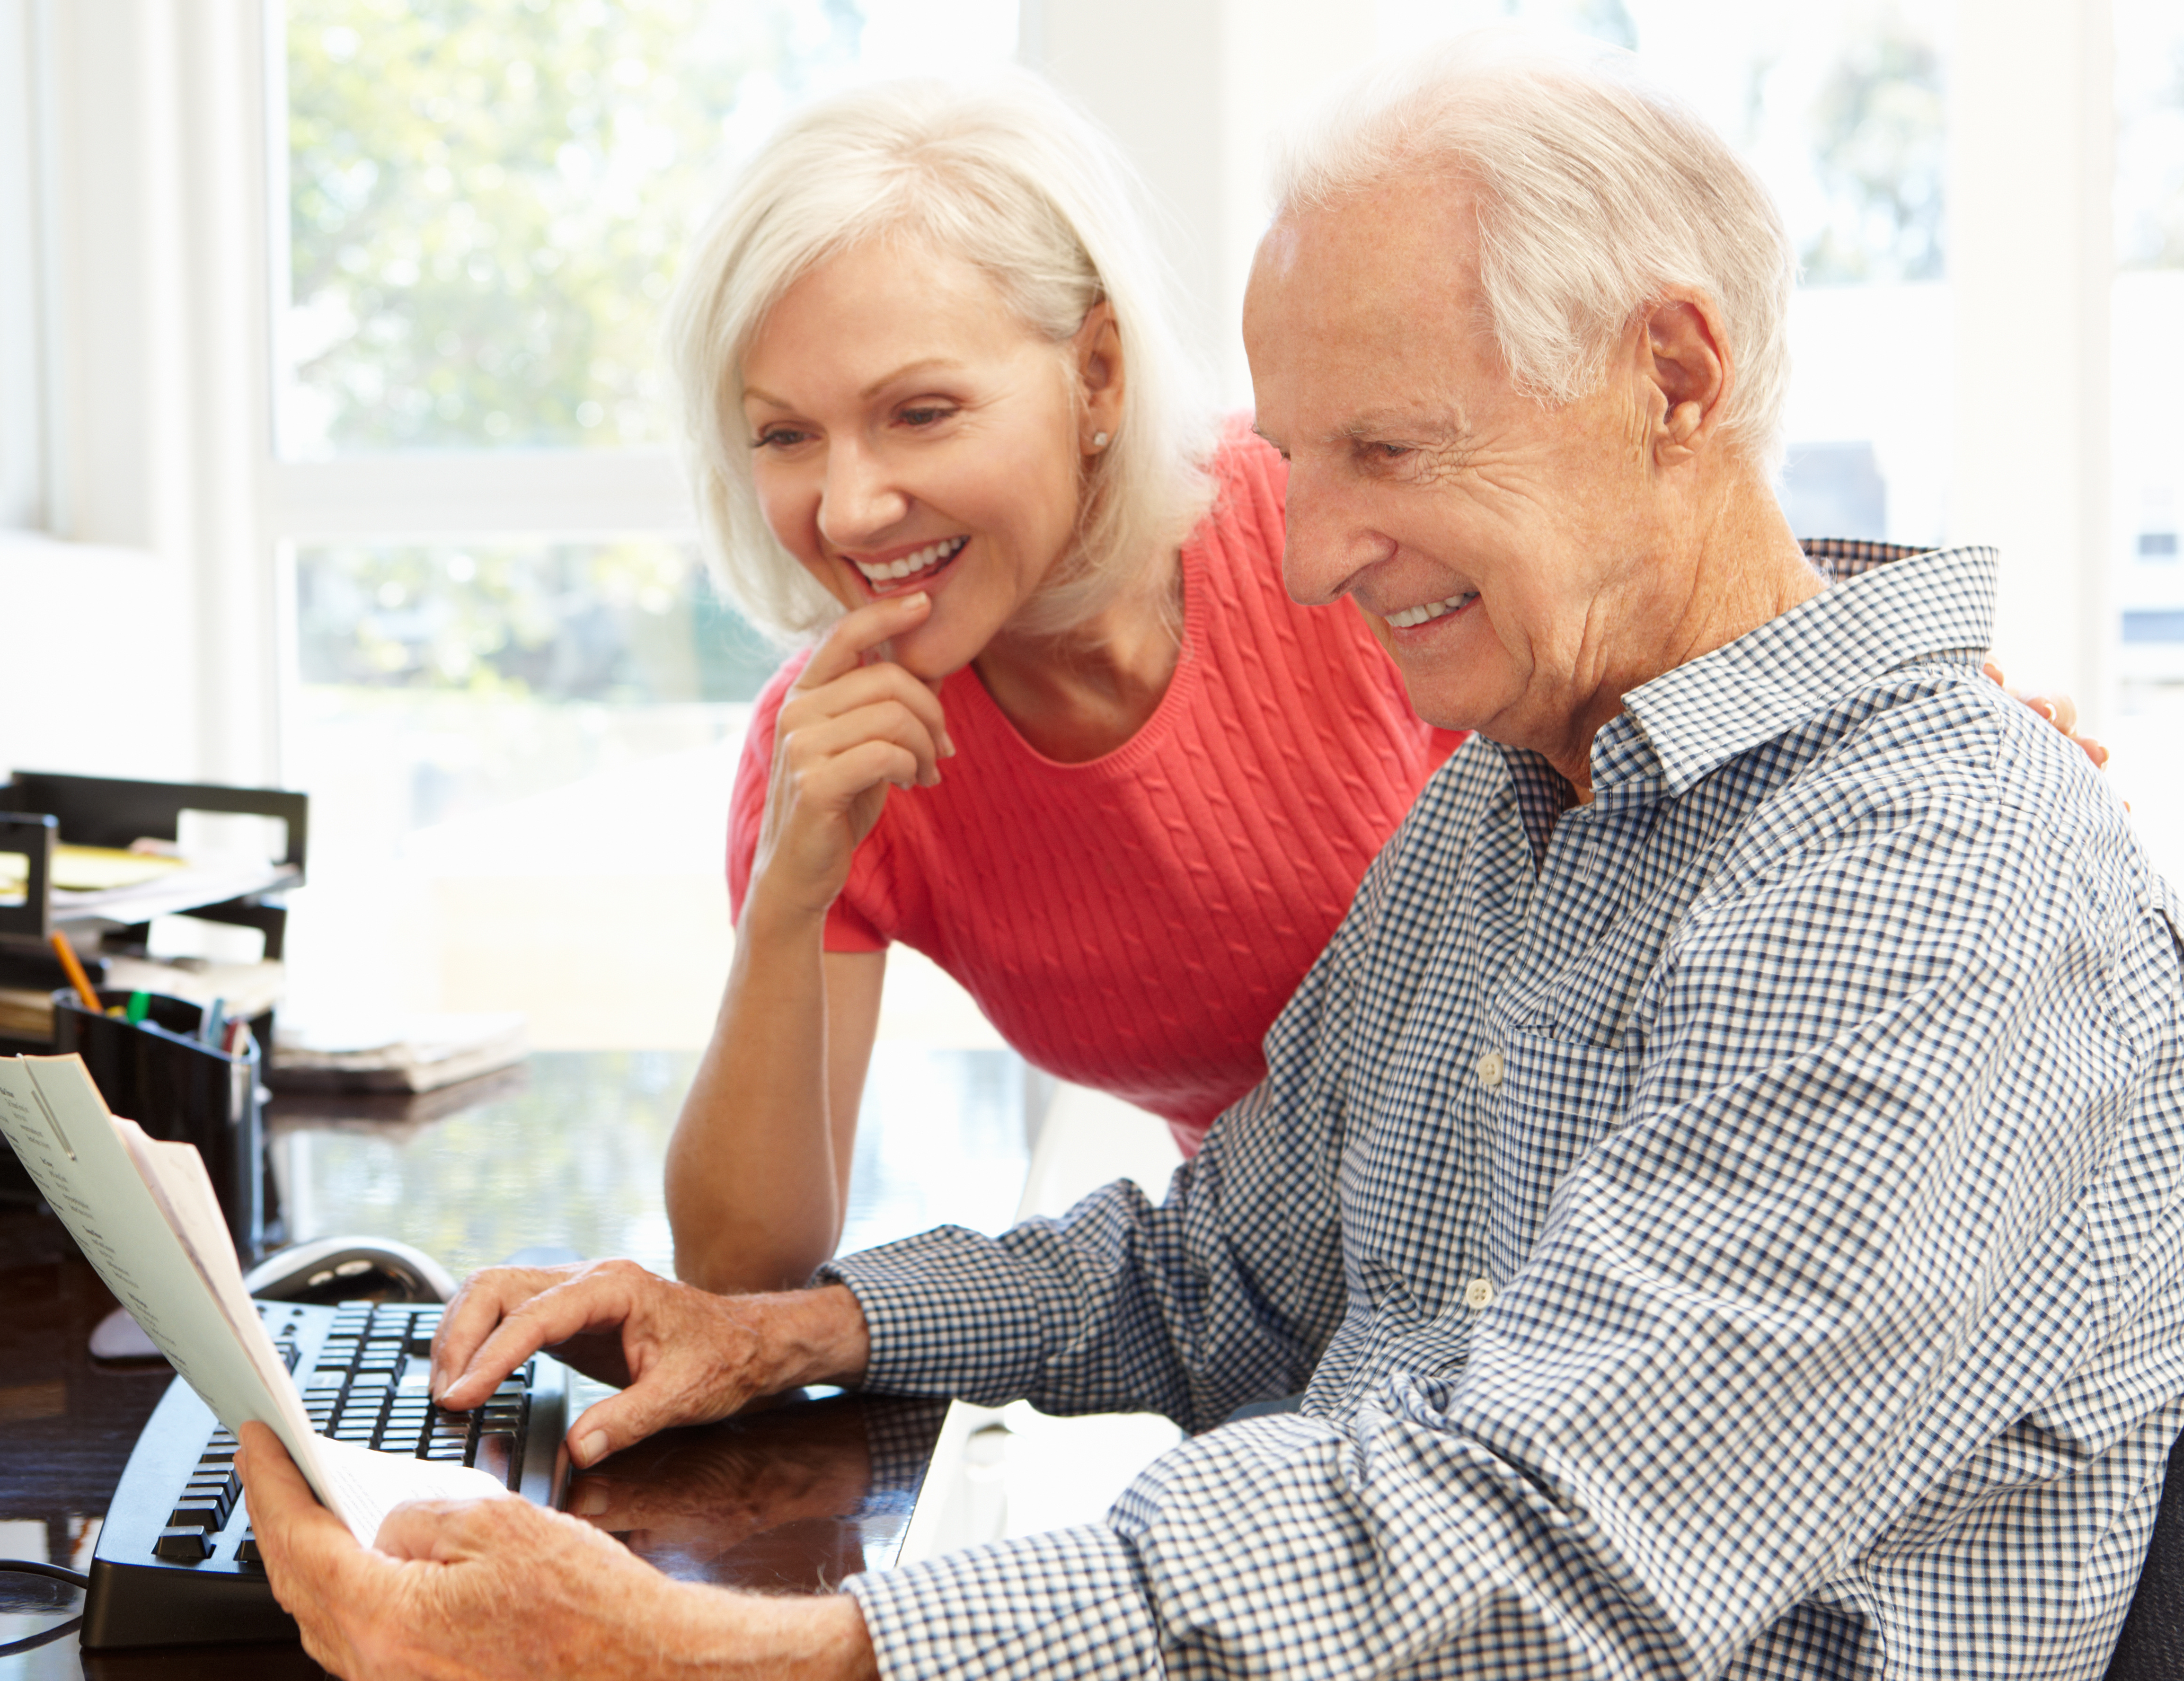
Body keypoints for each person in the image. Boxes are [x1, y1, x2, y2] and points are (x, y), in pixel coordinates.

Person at [241, 32, 2184, 1679]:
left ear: (1675, 384)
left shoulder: (1925, 871)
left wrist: (751, 1655)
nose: (1315, 552)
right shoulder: (1507, 797)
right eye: (1304, 457)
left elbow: (1540, 1543)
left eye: (1390, 455)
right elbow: (1219, 1271)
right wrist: (791, 1330)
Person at [659, 73, 1463, 1293]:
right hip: (1268, 1326)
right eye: (784, 435)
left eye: (920, 414)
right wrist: (787, 901)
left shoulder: (1330, 523)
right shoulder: (834, 746)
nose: (849, 506)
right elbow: (739, 1274)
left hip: (1569, 1283)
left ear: (1097, 375)